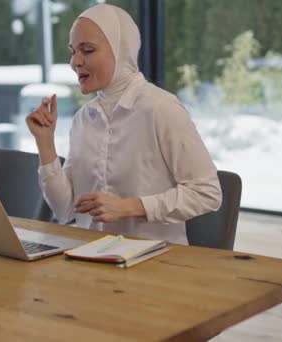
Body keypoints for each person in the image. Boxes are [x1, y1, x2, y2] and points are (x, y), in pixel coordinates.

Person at [25, 4, 222, 245]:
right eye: (73, 51)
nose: (75, 61)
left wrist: (130, 207)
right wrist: (45, 142)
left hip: (156, 263)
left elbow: (207, 193)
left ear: (122, 51)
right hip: (90, 257)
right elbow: (65, 210)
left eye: (87, 50)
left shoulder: (161, 108)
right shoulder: (83, 119)